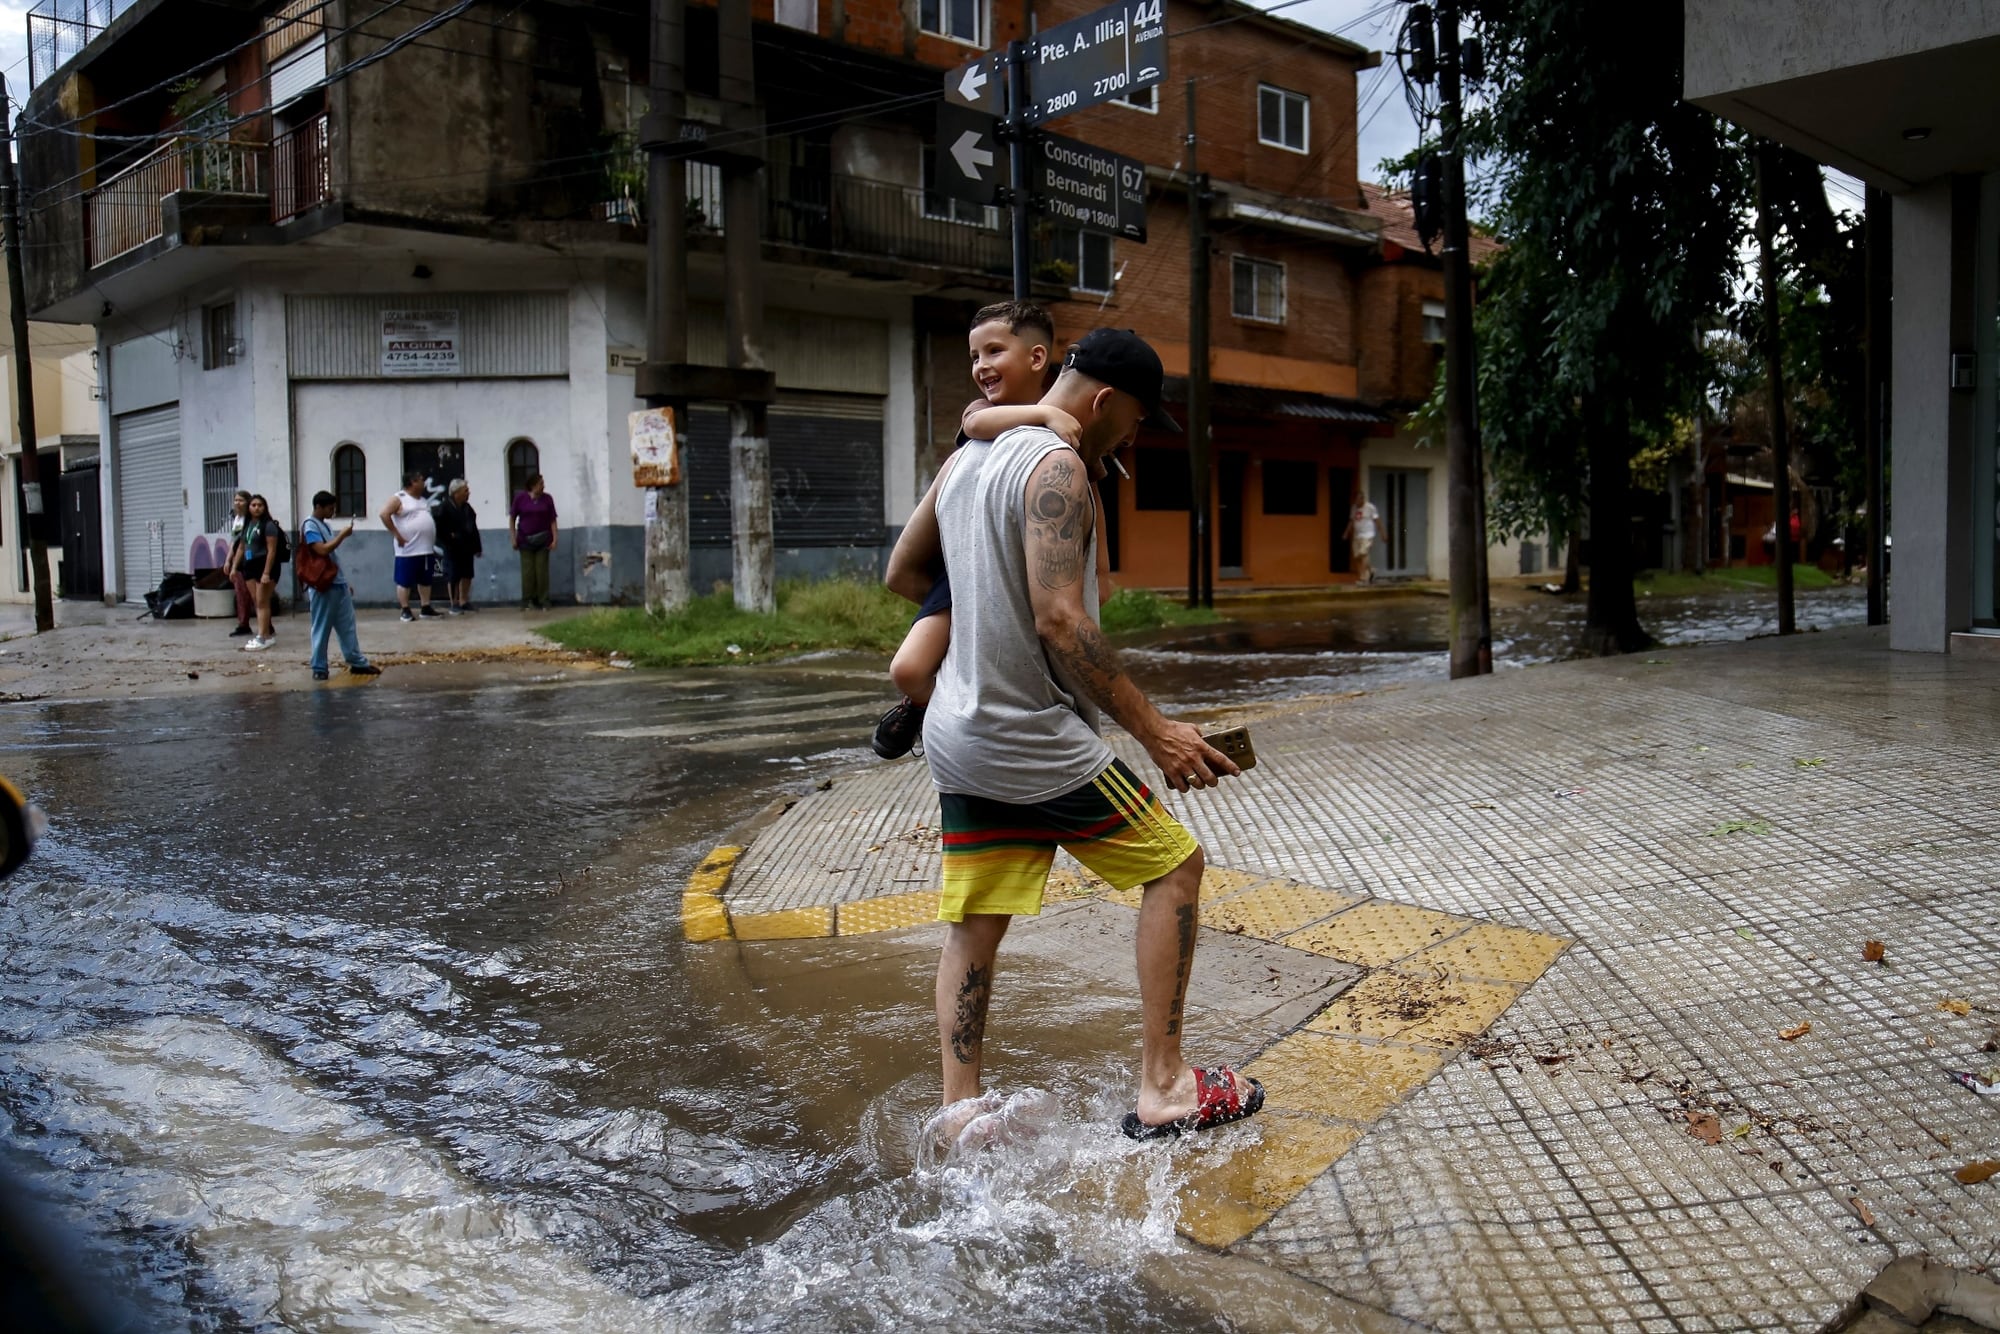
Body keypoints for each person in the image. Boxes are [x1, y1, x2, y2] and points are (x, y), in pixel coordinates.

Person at [898, 328, 1254, 1145]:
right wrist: (1156, 732)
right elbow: (1060, 620)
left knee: (977, 920)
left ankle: (960, 1111)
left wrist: (980, 614)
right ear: (1104, 402)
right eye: (1135, 422)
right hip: (1031, 736)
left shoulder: (967, 460)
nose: (1131, 438)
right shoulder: (1056, 466)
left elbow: (904, 575)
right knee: (1176, 867)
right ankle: (1164, 1086)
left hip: (958, 729)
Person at [874, 302, 1111, 759]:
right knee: (907, 669)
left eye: (994, 351)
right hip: (968, 573)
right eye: (974, 356)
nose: (981, 365)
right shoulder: (988, 412)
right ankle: (925, 706)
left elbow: (1090, 499)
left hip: (1035, 574)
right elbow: (973, 423)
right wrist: (1043, 418)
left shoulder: (1064, 437)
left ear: (1037, 358)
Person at [301, 491, 382, 681]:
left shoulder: (325, 525)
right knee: (321, 626)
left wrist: (344, 581)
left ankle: (356, 661)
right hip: (323, 585)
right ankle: (319, 666)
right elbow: (322, 550)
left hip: (337, 583)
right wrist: (342, 536)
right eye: (330, 508)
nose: (333, 511)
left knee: (347, 625)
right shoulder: (310, 525)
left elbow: (333, 558)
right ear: (319, 507)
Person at [380, 471, 441, 622]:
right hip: (407, 549)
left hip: (425, 549)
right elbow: (384, 514)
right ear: (413, 482)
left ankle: (425, 607)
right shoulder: (399, 498)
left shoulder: (423, 500)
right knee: (404, 581)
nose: (424, 483)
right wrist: (397, 535)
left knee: (425, 580)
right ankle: (405, 609)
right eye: (421, 480)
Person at [227, 494, 282, 651]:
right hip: (249, 565)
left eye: (260, 505)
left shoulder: (269, 525)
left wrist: (266, 572)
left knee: (262, 601)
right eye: (253, 505)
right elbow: (241, 547)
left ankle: (262, 636)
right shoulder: (247, 524)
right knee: (257, 601)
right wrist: (234, 567)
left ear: (264, 507)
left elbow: (272, 551)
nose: (256, 508)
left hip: (264, 566)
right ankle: (266, 634)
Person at [510, 474, 558, 610]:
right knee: (528, 572)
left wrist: (555, 539)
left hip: (543, 540)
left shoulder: (547, 499)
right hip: (525, 540)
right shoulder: (520, 498)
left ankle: (543, 600)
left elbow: (553, 520)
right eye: (540, 483)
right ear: (532, 485)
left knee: (541, 571)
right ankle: (527, 600)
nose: (543, 486)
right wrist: (513, 538)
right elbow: (512, 518)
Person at [436, 479, 483, 613]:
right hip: (452, 547)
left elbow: (473, 528)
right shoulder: (445, 507)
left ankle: (464, 601)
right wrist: (449, 538)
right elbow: (439, 528)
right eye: (465, 490)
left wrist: (477, 547)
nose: (468, 493)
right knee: (453, 575)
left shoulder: (467, 508)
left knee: (467, 574)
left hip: (467, 547)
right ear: (456, 493)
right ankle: (454, 603)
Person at [224, 490, 254, 637]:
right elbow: (234, 542)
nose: (237, 503)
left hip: (250, 560)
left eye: (241, 500)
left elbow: (243, 545)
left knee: (255, 594)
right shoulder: (237, 519)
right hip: (239, 560)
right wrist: (228, 560)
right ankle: (243, 623)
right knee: (241, 593)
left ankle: (266, 625)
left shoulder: (251, 520)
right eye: (236, 500)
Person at [1344, 488, 1382, 585]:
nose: (1356, 502)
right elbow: (1351, 521)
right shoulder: (1354, 508)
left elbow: (1377, 520)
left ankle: (1364, 578)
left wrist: (1382, 533)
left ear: (1362, 499)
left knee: (1363, 553)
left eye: (1358, 500)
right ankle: (1372, 571)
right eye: (1355, 500)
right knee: (1357, 556)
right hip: (1357, 535)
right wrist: (1346, 532)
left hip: (1368, 535)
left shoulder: (1370, 507)